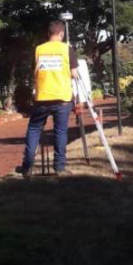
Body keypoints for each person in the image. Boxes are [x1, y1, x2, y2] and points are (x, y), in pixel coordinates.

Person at [17, 20, 79, 178]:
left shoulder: (39, 49)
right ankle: (59, 167)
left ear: (48, 33)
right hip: (62, 98)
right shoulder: (68, 49)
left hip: (42, 97)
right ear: (62, 34)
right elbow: (74, 74)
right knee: (60, 132)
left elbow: (34, 71)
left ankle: (27, 166)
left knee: (34, 130)